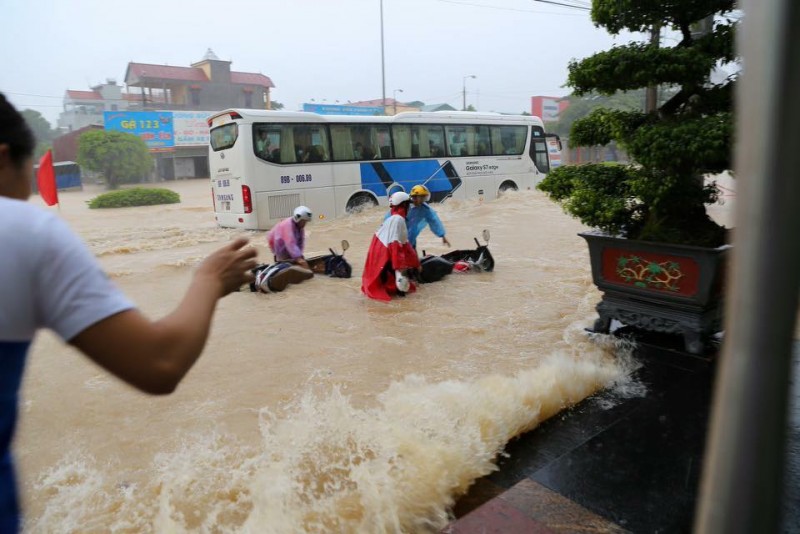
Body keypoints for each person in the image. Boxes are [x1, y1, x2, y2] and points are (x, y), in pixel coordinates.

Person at [0, 93, 258, 531]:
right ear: (4, 158)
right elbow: (159, 363)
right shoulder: (25, 231)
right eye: (25, 181)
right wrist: (210, 279)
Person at [362, 191, 421, 301]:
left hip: (380, 256)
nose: (409, 208)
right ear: (404, 205)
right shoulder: (398, 220)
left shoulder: (393, 219)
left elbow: (405, 244)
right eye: (408, 205)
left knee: (399, 285)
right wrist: (400, 268)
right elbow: (395, 246)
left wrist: (416, 263)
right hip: (385, 257)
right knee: (401, 288)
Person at [260, 206, 315, 292]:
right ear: (298, 219)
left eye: (306, 222)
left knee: (296, 262)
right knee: (285, 265)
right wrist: (298, 259)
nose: (304, 224)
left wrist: (300, 256)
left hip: (285, 248)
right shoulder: (288, 225)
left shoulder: (299, 228)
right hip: (279, 248)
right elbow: (290, 243)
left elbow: (300, 242)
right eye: (303, 221)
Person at [385, 184, 451, 250]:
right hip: (397, 238)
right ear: (415, 197)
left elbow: (434, 220)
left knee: (412, 257)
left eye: (424, 197)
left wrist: (442, 236)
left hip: (411, 239)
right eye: (421, 197)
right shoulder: (403, 205)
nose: (423, 199)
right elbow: (390, 218)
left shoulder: (424, 209)